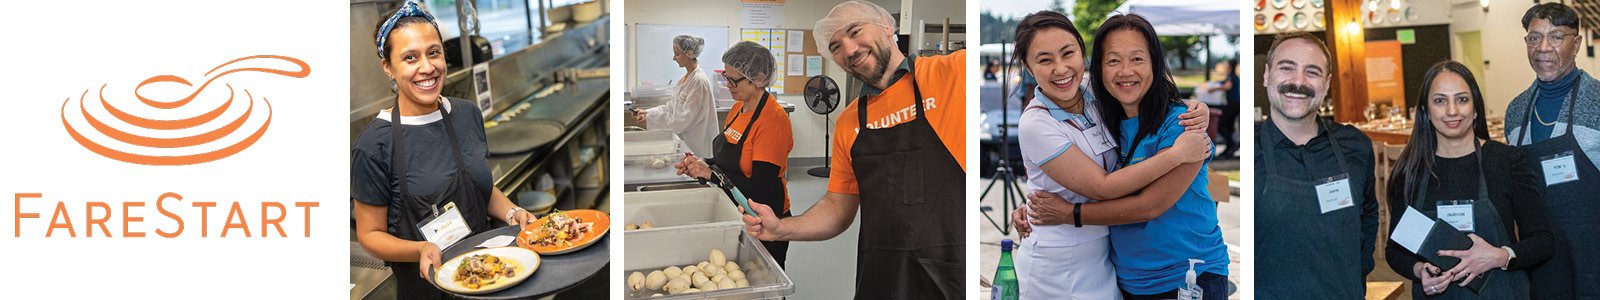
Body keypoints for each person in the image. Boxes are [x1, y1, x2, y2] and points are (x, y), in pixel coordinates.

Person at [737, 1, 965, 298]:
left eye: (855, 32)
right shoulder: (849, 121)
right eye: (835, 47)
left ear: (887, 25)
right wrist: (781, 228)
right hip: (881, 276)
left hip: (951, 276)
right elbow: (836, 207)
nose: (850, 50)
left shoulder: (954, 73)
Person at [1002, 10, 1212, 300]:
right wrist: (1176, 155)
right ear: (1027, 65)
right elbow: (1102, 186)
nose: (1061, 69)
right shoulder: (1035, 123)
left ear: (1081, 50)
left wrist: (1195, 108)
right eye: (1045, 59)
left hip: (1109, 263)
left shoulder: (1095, 97)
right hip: (1059, 264)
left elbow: (1138, 89)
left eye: (1068, 53)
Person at [350, 2, 536, 299]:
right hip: (427, 288)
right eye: (410, 58)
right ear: (388, 67)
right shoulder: (374, 145)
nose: (427, 67)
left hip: (490, 272)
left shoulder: (467, 113)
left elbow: (480, 188)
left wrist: (512, 212)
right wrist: (421, 248)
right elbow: (370, 235)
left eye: (433, 52)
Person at [1385, 61, 1555, 299]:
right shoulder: (1412, 170)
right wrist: (1419, 269)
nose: (1452, 111)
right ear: (1425, 111)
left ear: (1475, 108)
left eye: (1462, 99)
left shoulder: (1506, 161)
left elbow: (1543, 241)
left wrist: (1500, 256)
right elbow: (1395, 251)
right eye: (1440, 100)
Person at [1253, 32, 1379, 299]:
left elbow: (1368, 220)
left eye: (1312, 72)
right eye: (1287, 68)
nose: (1298, 82)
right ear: (1266, 75)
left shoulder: (1356, 146)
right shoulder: (1249, 151)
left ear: (1326, 83)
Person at [1505, 4, 1600, 298]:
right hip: (1541, 262)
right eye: (1534, 38)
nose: (1543, 48)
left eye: (1556, 37)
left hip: (1593, 259)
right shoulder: (1516, 111)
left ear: (1577, 43)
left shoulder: (1597, 101)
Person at [674, 41, 794, 268]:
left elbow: (762, 190)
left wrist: (712, 175)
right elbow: (726, 161)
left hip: (766, 220)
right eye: (725, 77)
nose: (727, 85)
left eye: (733, 80)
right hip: (738, 210)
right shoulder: (738, 109)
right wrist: (702, 163)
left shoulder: (773, 122)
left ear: (758, 78)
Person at [634, 35, 719, 156]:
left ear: (689, 53)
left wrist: (650, 120)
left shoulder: (699, 81)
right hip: (685, 144)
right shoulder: (684, 80)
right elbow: (670, 108)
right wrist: (647, 113)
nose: (674, 58)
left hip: (697, 147)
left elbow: (683, 120)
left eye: (677, 54)